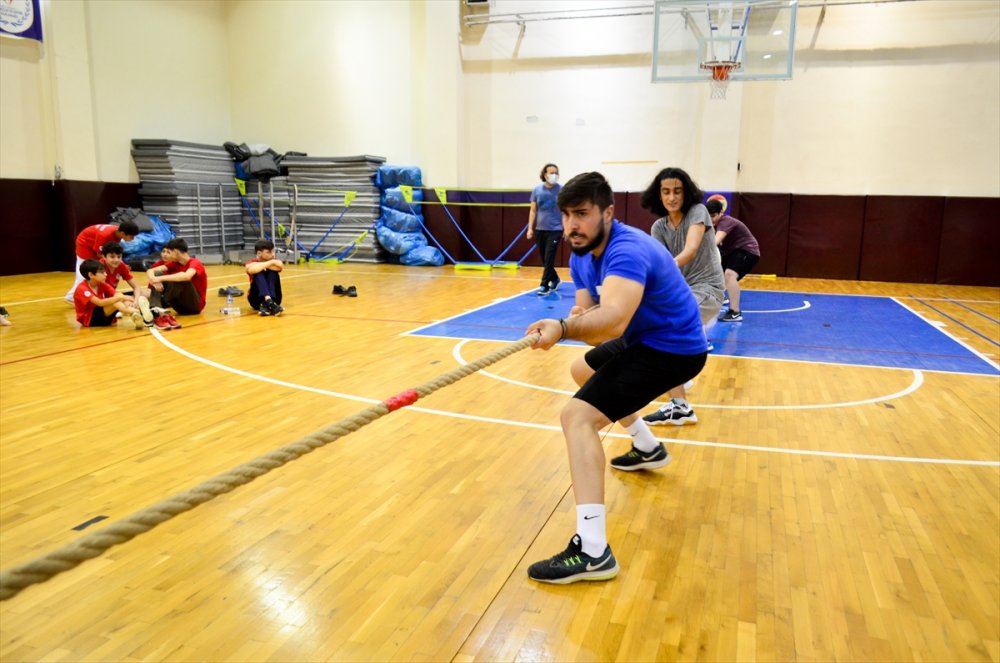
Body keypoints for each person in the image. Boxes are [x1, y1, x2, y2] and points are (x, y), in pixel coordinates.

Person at [524, 172, 708, 584]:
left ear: (608, 212)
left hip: (673, 348)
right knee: (580, 369)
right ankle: (646, 446)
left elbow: (613, 321)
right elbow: (589, 309)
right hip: (643, 340)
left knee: (577, 417)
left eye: (583, 214)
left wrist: (564, 328)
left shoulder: (627, 249)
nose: (572, 225)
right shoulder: (579, 254)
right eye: (567, 215)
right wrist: (571, 319)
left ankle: (592, 551)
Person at [640, 167, 725, 427]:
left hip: (707, 289)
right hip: (683, 291)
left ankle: (680, 406)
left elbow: (690, 249)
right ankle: (681, 374)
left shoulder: (698, 212)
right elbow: (657, 264)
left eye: (677, 191)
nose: (672, 197)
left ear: (685, 193)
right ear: (659, 195)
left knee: (666, 331)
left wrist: (666, 268)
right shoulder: (658, 227)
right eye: (666, 192)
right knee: (659, 332)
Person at [707, 199, 760, 322]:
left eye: (714, 216)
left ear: (721, 212)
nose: (712, 219)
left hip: (747, 251)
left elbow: (715, 241)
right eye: (708, 216)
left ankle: (735, 312)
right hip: (731, 253)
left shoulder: (726, 221)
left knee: (730, 275)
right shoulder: (710, 224)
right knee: (713, 271)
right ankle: (722, 297)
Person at [64, 220, 140, 303]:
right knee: (86, 272)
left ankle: (99, 294)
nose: (133, 239)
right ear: (123, 233)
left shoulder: (117, 234)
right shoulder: (104, 235)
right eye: (132, 236)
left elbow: (110, 253)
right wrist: (119, 263)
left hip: (95, 244)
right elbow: (100, 254)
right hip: (85, 245)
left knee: (99, 270)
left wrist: (122, 264)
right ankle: (71, 296)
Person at [145, 238, 208, 329]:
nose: (167, 255)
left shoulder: (195, 263)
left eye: (169, 252)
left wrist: (159, 279)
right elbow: (151, 270)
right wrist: (154, 280)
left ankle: (157, 307)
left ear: (176, 252)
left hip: (194, 307)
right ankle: (157, 313)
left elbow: (186, 276)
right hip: (179, 307)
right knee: (158, 273)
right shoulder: (175, 263)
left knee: (181, 278)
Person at [73, 259, 145, 330]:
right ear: (91, 275)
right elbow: (100, 303)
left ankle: (136, 315)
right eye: (102, 272)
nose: (105, 274)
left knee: (120, 299)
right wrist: (122, 297)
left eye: (105, 271)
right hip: (89, 319)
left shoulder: (102, 284)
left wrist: (129, 299)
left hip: (103, 317)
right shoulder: (82, 288)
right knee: (115, 302)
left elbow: (116, 294)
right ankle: (139, 313)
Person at [526, 163, 563, 295]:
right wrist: (530, 228)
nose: (553, 175)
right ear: (545, 174)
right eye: (551, 172)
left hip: (556, 229)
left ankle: (544, 285)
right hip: (540, 229)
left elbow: (566, 210)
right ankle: (555, 278)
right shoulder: (537, 190)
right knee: (544, 259)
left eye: (555, 173)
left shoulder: (561, 189)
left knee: (549, 257)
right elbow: (533, 210)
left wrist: (567, 228)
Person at [245, 239, 285, 316]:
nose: (273, 254)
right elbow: (251, 270)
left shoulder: (275, 261)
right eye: (269, 252)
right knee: (258, 272)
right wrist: (271, 263)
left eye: (273, 251)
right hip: (256, 300)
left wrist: (263, 264)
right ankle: (269, 302)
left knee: (272, 273)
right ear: (259, 253)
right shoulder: (251, 263)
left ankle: (268, 302)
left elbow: (280, 266)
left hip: (275, 299)